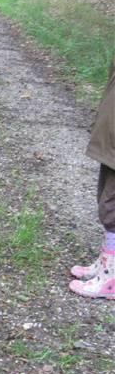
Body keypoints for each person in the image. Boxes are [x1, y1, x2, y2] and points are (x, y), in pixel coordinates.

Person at [70, 57, 115, 299]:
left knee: (112, 206)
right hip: (111, 138)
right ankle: (106, 264)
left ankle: (111, 278)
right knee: (105, 196)